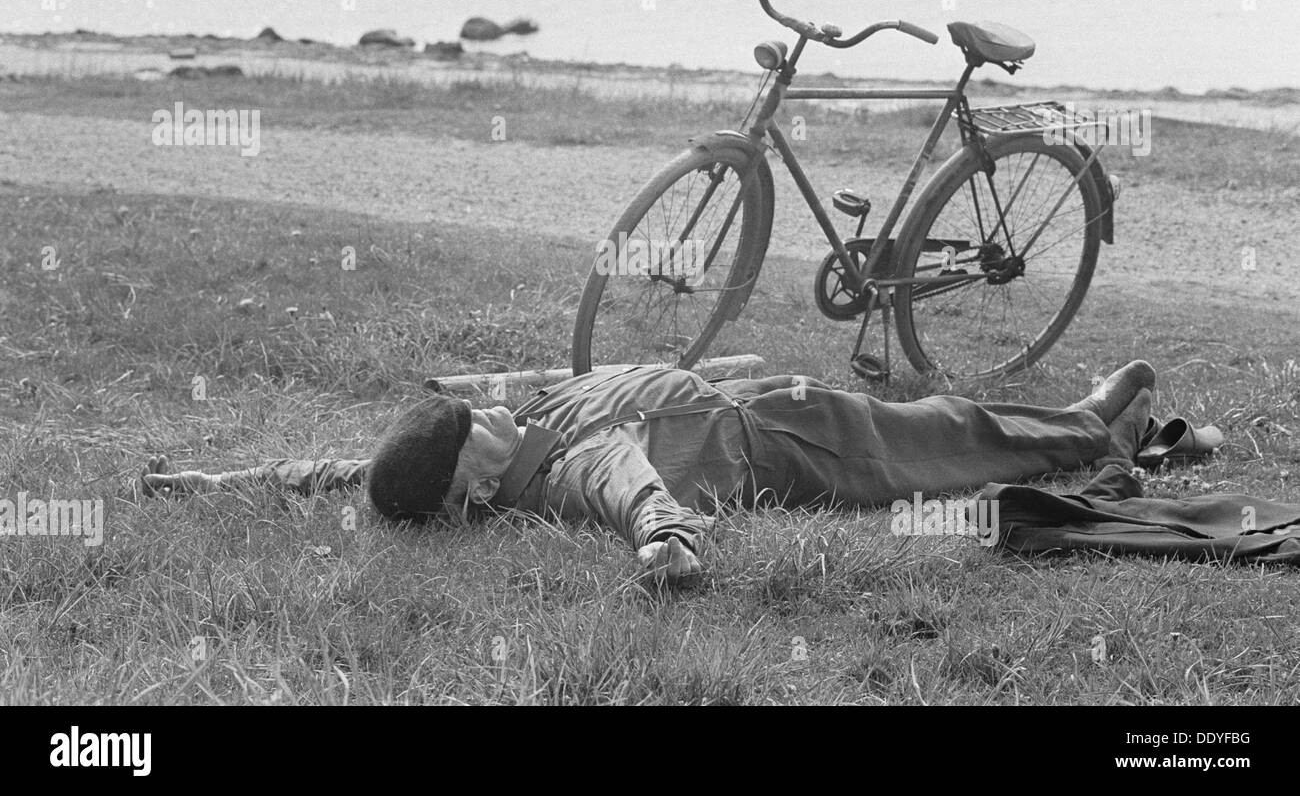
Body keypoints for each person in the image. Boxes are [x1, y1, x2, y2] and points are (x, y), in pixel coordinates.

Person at [142, 361, 1158, 584]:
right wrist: (667, 543)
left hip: (753, 394)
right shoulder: (563, 466)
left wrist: (217, 480)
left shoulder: (523, 427)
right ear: (470, 486)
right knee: (942, 435)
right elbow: (633, 485)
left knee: (940, 420)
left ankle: (1094, 428)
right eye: (477, 426)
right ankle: (1081, 428)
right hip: (794, 442)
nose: (492, 411)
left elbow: (335, 467)